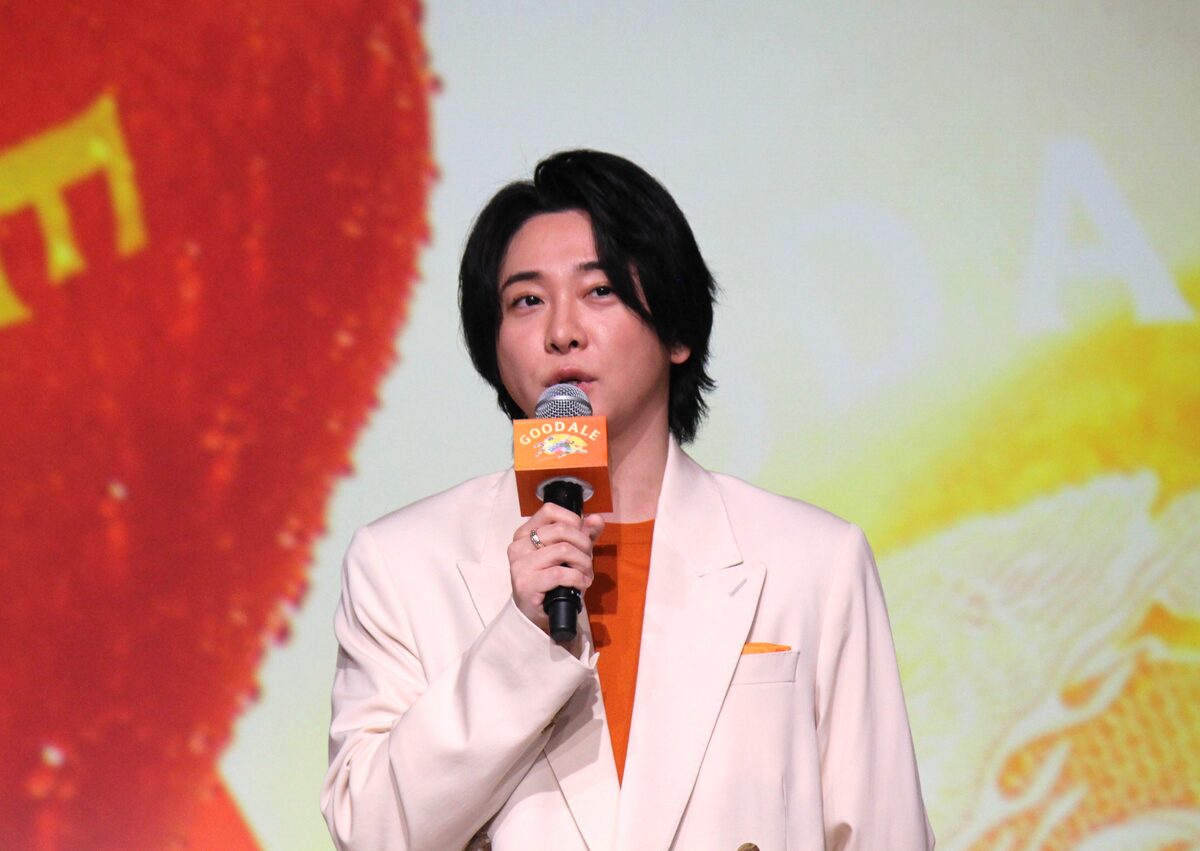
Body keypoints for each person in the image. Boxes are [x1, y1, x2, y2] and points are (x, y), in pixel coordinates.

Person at [321, 150, 934, 851]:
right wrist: (518, 641)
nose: (562, 331)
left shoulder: (813, 560)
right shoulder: (403, 563)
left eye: (600, 291)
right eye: (526, 301)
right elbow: (369, 832)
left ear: (676, 330)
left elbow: (882, 832)